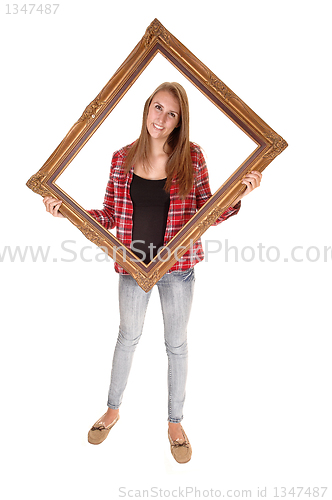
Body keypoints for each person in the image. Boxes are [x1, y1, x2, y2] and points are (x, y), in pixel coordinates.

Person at [43, 81, 262, 463]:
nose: (162, 118)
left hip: (177, 268)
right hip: (132, 266)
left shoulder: (191, 157)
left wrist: (240, 194)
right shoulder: (120, 158)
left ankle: (175, 422)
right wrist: (67, 211)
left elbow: (206, 212)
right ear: (147, 109)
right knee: (127, 337)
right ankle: (112, 409)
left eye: (172, 113)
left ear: (180, 122)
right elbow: (109, 216)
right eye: (158, 108)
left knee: (176, 345)